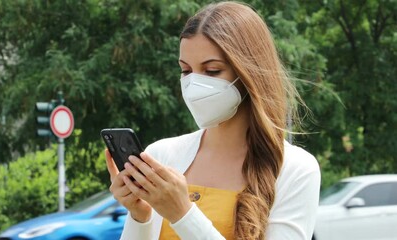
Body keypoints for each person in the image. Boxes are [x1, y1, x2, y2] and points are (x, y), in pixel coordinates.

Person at [105, 1, 321, 239]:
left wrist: (182, 213)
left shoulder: (295, 169)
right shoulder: (162, 155)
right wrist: (140, 216)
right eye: (186, 71)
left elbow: (183, 216)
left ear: (249, 73)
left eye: (212, 71)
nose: (194, 85)